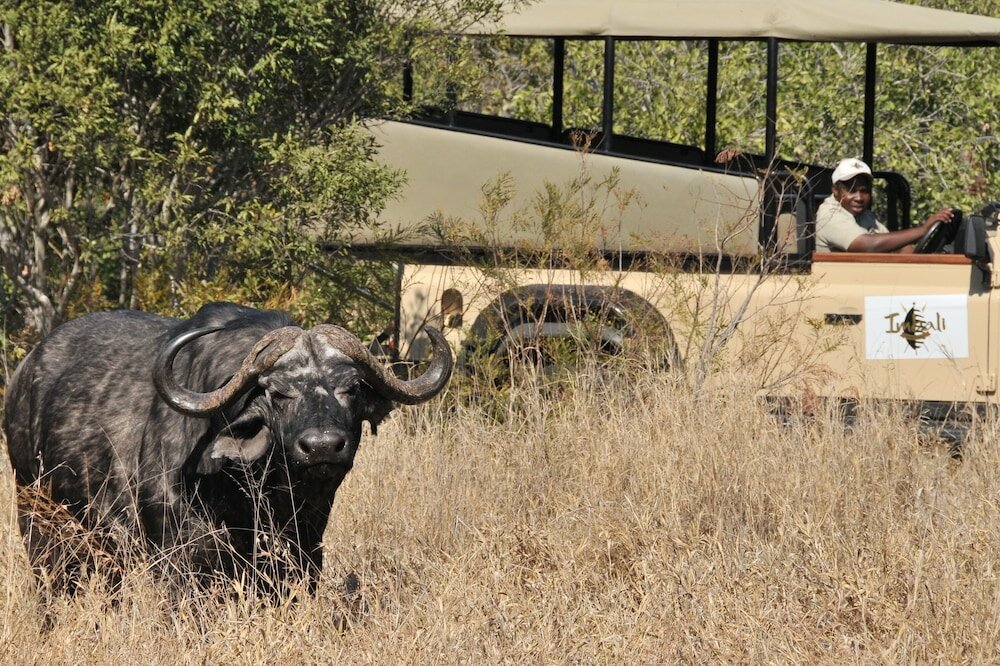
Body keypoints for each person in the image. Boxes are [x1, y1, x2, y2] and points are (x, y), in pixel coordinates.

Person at [814, 158, 955, 253]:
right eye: (851, 190)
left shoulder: (864, 215)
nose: (859, 197)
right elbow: (867, 245)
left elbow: (894, 245)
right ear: (835, 190)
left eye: (864, 191)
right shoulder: (829, 214)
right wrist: (923, 230)